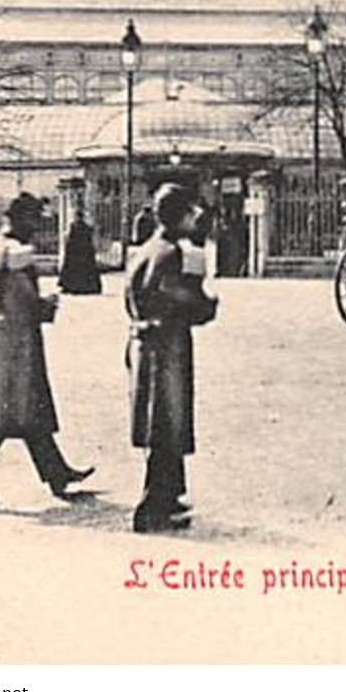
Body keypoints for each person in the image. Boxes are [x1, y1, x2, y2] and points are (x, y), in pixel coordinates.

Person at [0, 193, 95, 507]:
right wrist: (47, 306)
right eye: (34, 220)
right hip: (15, 346)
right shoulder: (15, 252)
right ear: (18, 219)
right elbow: (21, 300)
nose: (37, 227)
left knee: (30, 413)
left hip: (7, 339)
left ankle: (57, 473)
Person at [125, 184, 217, 532]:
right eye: (189, 212)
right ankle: (152, 508)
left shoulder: (146, 249)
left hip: (144, 343)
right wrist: (207, 306)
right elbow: (183, 300)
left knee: (161, 422)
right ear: (178, 215)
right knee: (166, 423)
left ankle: (172, 494)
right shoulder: (173, 255)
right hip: (167, 347)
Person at [57, 209, 102, 295]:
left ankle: (72, 286)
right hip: (85, 253)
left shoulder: (74, 226)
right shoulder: (87, 227)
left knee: (73, 270)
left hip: (75, 253)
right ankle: (87, 287)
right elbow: (90, 239)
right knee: (86, 269)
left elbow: (70, 240)